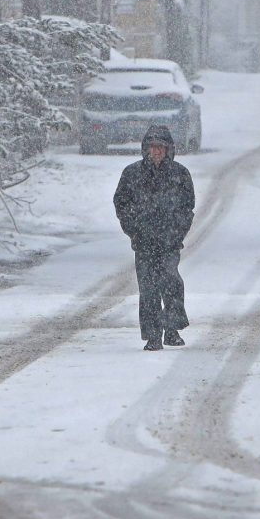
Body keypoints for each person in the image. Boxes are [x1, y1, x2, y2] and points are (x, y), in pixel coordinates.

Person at [113, 124, 195, 351]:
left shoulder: (180, 174)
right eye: (152, 147)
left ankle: (172, 328)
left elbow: (187, 207)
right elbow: (121, 204)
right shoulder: (132, 174)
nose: (156, 152)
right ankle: (152, 335)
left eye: (161, 147)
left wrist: (177, 231)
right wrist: (134, 229)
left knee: (170, 281)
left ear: (169, 149)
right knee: (148, 288)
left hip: (170, 242)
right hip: (144, 242)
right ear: (145, 149)